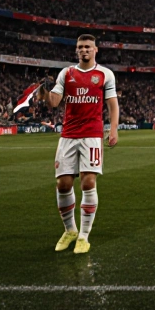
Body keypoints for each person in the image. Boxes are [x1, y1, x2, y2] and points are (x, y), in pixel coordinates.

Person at [50, 34, 119, 255]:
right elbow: (54, 102)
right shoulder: (66, 73)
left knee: (88, 183)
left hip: (92, 134)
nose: (84, 50)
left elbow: (112, 105)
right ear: (76, 50)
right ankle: (70, 230)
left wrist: (114, 129)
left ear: (95, 49)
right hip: (68, 134)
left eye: (88, 47)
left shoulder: (105, 74)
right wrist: (43, 91)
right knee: (63, 184)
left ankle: (84, 236)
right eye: (80, 47)